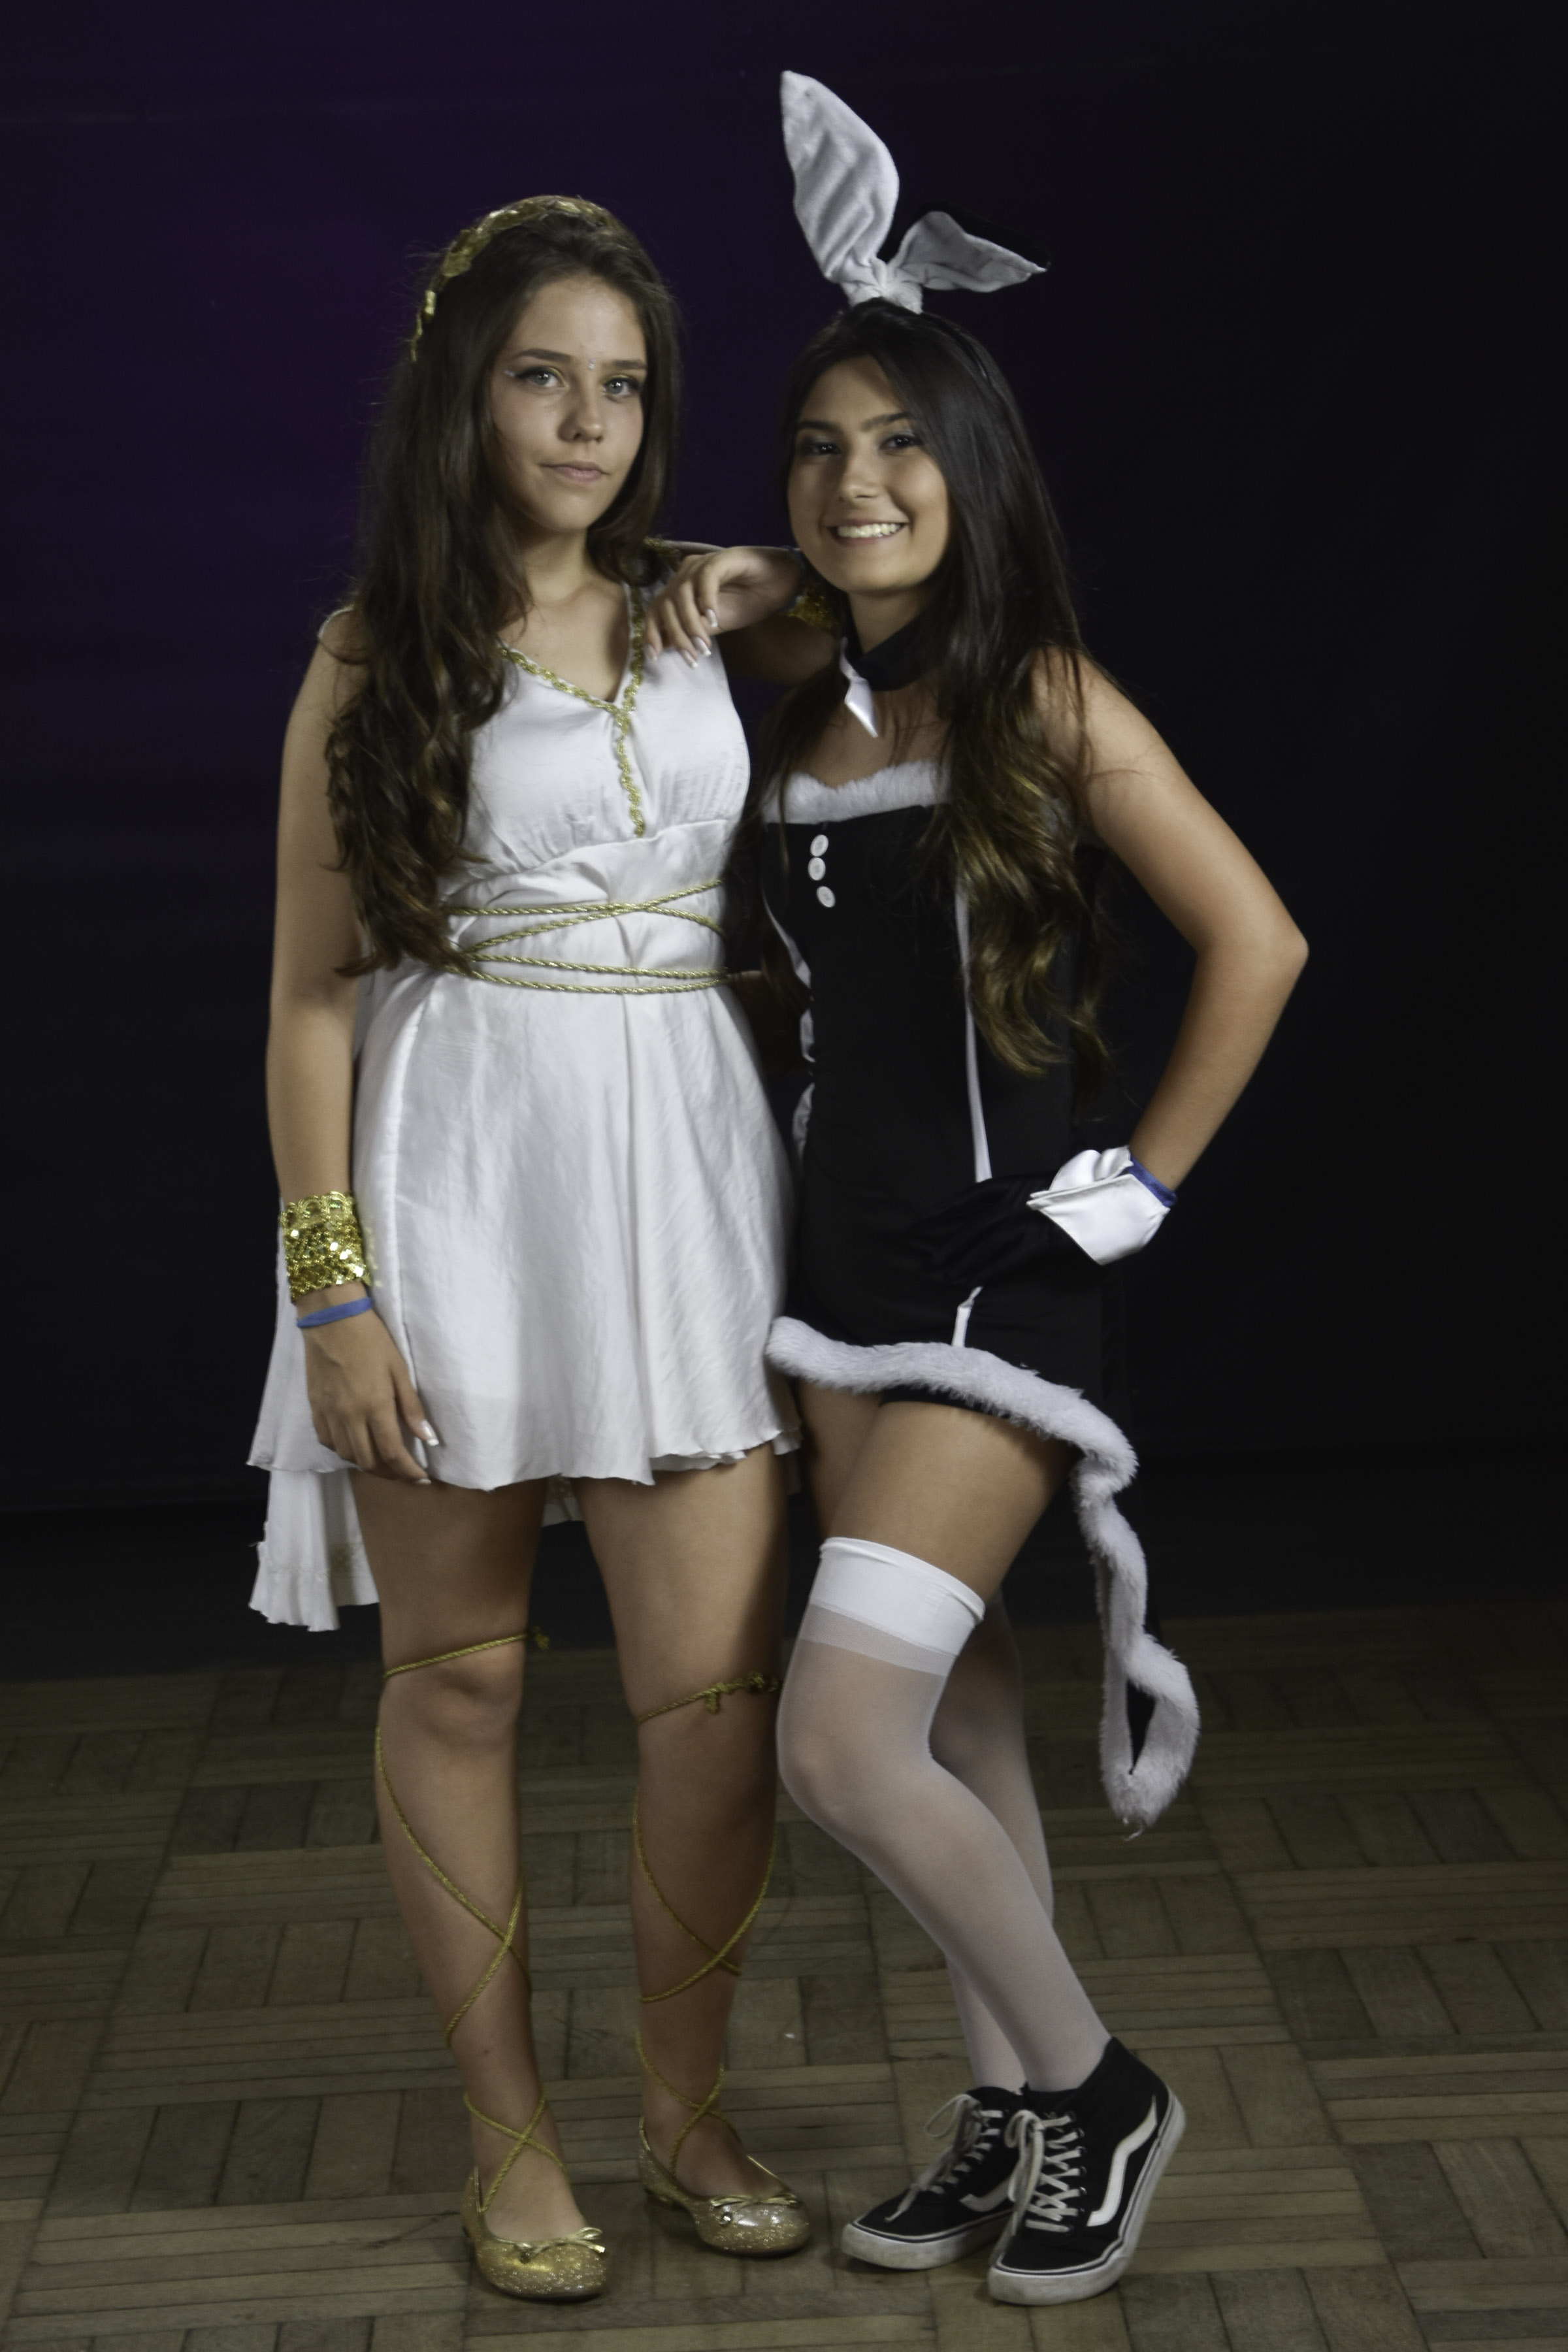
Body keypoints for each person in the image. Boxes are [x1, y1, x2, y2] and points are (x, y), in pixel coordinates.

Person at [647, 76, 1308, 2308]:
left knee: (841, 1739)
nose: (859, 481)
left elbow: (1260, 940)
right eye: (820, 448)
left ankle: (1099, 2090)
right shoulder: (796, 704)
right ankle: (1007, 2111)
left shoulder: (1041, 691)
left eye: (902, 444)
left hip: (1000, 1288)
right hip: (833, 1279)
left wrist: (1129, 1194)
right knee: (951, 1713)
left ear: (975, 466)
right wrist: (749, 580)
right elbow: (663, 611)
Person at [248, 195, 822, 2301]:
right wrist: (334, 1289)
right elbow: (312, 995)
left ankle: (685, 2110)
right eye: (544, 377)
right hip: (453, 1170)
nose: (589, 422)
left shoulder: (696, 614)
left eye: (625, 386)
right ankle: (510, 2138)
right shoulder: (370, 650)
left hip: (681, 1171)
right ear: (464, 398)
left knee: (712, 1697)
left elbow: (894, 593)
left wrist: (757, 574)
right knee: (467, 1677)